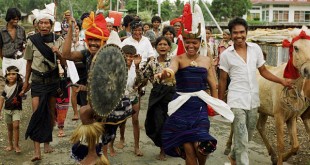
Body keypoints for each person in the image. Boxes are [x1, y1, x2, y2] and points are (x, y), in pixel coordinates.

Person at [218, 17, 292, 165]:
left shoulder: (255, 49)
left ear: (247, 32)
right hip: (236, 100)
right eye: (235, 33)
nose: (239, 36)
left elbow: (263, 71)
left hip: (253, 99)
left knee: (248, 135)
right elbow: (223, 80)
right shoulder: (226, 55)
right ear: (231, 34)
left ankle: (233, 156)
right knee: (241, 136)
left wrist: (282, 81)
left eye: (242, 32)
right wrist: (221, 103)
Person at [156, 20, 218, 164]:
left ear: (200, 42)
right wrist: (165, 73)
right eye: (187, 42)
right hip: (181, 106)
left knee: (201, 145)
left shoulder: (206, 60)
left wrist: (215, 104)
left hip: (199, 107)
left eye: (194, 43)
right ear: (183, 42)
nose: (191, 45)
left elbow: (213, 84)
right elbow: (172, 69)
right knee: (188, 149)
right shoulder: (177, 59)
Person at [62, 11, 110, 165]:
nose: (94, 43)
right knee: (94, 131)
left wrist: (90, 89)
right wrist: (70, 29)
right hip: (92, 97)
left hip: (107, 101)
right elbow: (66, 54)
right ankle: (96, 157)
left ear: (104, 41)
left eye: (98, 40)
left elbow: (109, 84)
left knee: (85, 114)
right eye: (92, 40)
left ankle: (95, 156)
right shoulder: (86, 54)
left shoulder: (109, 56)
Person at [23, 5, 64, 162]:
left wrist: (58, 52)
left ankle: (47, 142)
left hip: (53, 80)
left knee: (50, 113)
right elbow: (28, 63)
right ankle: (37, 150)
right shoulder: (32, 41)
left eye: (47, 23)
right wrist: (26, 82)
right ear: (37, 24)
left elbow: (65, 63)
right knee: (37, 113)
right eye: (41, 23)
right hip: (37, 81)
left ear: (51, 25)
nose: (44, 26)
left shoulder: (58, 40)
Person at [120, 20, 155, 156]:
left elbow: (152, 56)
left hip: (141, 75)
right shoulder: (125, 42)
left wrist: (147, 69)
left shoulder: (146, 41)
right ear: (131, 30)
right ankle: (122, 138)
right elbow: (120, 55)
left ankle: (136, 146)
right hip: (125, 78)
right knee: (121, 116)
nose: (138, 32)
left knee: (135, 117)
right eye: (135, 30)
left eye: (140, 30)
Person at [102, 45, 142, 158]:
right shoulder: (116, 68)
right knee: (117, 123)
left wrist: (138, 66)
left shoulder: (136, 68)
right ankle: (113, 144)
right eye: (127, 56)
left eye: (131, 56)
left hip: (133, 97)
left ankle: (136, 146)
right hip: (120, 99)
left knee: (135, 121)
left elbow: (139, 83)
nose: (129, 59)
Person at [143, 36, 176, 161]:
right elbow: (144, 77)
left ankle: (170, 147)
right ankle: (162, 148)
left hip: (171, 94)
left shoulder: (174, 61)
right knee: (158, 122)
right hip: (157, 95)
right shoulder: (152, 62)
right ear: (155, 47)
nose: (162, 46)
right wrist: (136, 66)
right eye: (160, 44)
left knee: (170, 122)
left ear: (169, 47)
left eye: (165, 44)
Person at [0, 66, 23, 153]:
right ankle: (10, 144)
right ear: (6, 76)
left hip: (16, 110)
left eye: (13, 74)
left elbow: (27, 86)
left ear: (17, 75)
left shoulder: (19, 85)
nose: (11, 76)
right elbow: (2, 99)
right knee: (9, 128)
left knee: (16, 126)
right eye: (9, 74)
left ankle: (16, 145)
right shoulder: (5, 87)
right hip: (7, 110)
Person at [0, 8, 26, 78]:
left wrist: (23, 58)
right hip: (7, 61)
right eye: (14, 19)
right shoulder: (2, 31)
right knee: (9, 82)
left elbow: (24, 44)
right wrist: (5, 59)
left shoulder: (22, 29)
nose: (16, 21)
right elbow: (0, 47)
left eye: (17, 19)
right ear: (9, 18)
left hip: (20, 60)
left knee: (21, 81)